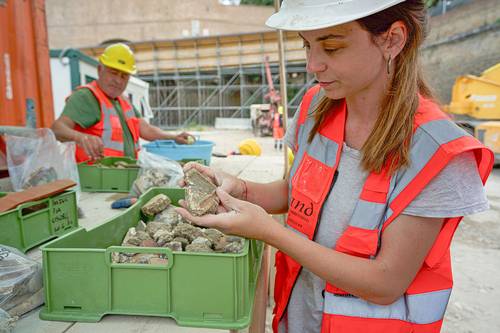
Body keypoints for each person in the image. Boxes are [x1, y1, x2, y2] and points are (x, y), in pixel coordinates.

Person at [175, 1, 494, 332]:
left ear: (392, 39)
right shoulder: (318, 107)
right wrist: (241, 189)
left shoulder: (436, 151)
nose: (313, 64)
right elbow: (296, 192)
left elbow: (385, 283)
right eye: (307, 44)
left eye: (331, 46)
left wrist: (269, 231)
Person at [51, 43, 193, 162]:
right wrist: (81, 137)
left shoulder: (123, 100)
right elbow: (57, 129)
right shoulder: (86, 97)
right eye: (113, 73)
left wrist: (174, 137)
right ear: (100, 70)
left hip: (123, 179)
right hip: (95, 183)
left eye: (124, 76)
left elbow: (146, 129)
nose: (118, 80)